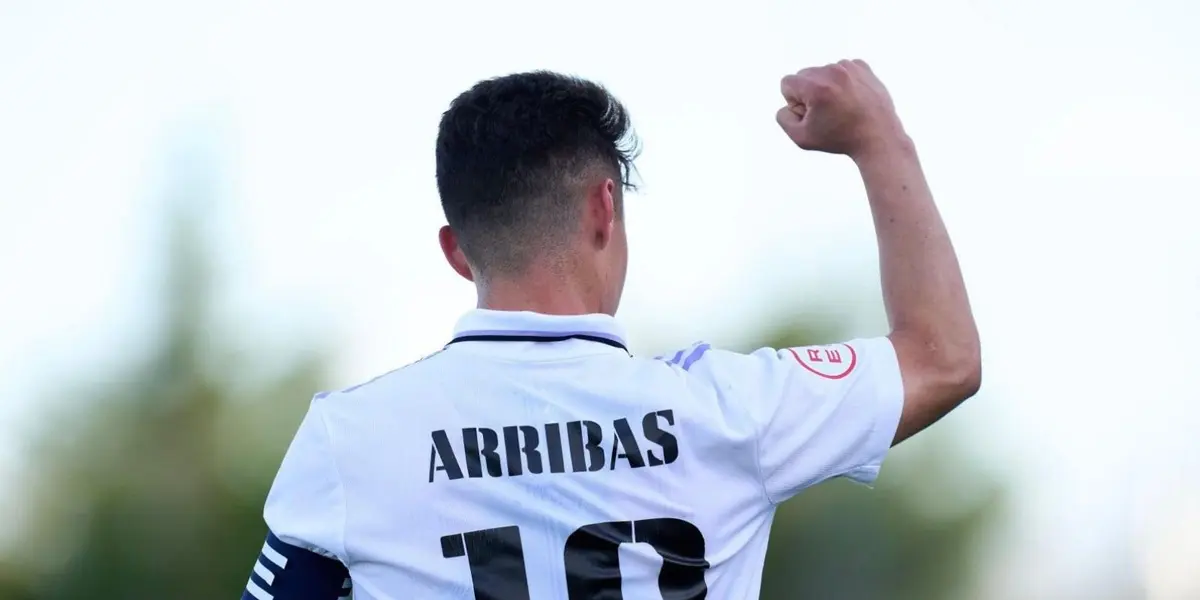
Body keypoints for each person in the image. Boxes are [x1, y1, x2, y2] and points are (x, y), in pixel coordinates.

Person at [239, 60, 981, 600]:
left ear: (456, 251)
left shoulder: (349, 438)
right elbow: (943, 359)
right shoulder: (728, 409)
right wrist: (878, 138)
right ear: (604, 208)